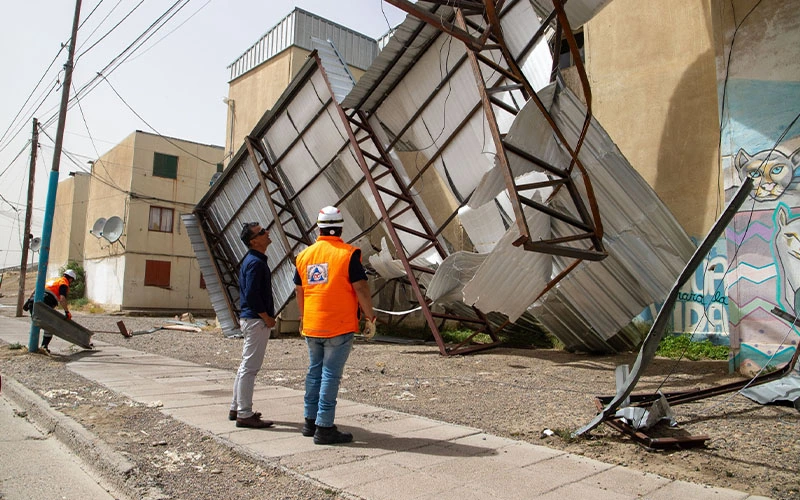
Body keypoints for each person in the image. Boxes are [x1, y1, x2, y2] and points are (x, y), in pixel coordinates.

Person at [294, 206, 377, 445]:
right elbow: (361, 288)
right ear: (340, 228)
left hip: (312, 324)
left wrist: (303, 317)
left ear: (318, 228)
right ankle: (324, 427)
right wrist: (370, 317)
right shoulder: (348, 254)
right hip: (339, 325)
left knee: (314, 371)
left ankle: (310, 422)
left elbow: (300, 291)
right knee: (330, 374)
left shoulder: (304, 256)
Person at [229, 222, 276, 429]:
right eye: (262, 232)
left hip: (251, 319)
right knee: (250, 368)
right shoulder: (256, 263)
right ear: (253, 241)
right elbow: (252, 295)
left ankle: (236, 407)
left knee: (244, 367)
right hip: (255, 320)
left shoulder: (253, 261)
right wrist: (266, 317)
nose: (267, 233)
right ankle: (245, 414)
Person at [37, 269, 77, 354]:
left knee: (38, 323)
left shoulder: (53, 280)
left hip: (34, 302)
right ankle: (44, 346)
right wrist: (67, 312)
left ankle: (37, 346)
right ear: (70, 279)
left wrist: (28, 301)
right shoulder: (64, 283)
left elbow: (37, 287)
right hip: (46, 303)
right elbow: (62, 299)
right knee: (50, 326)